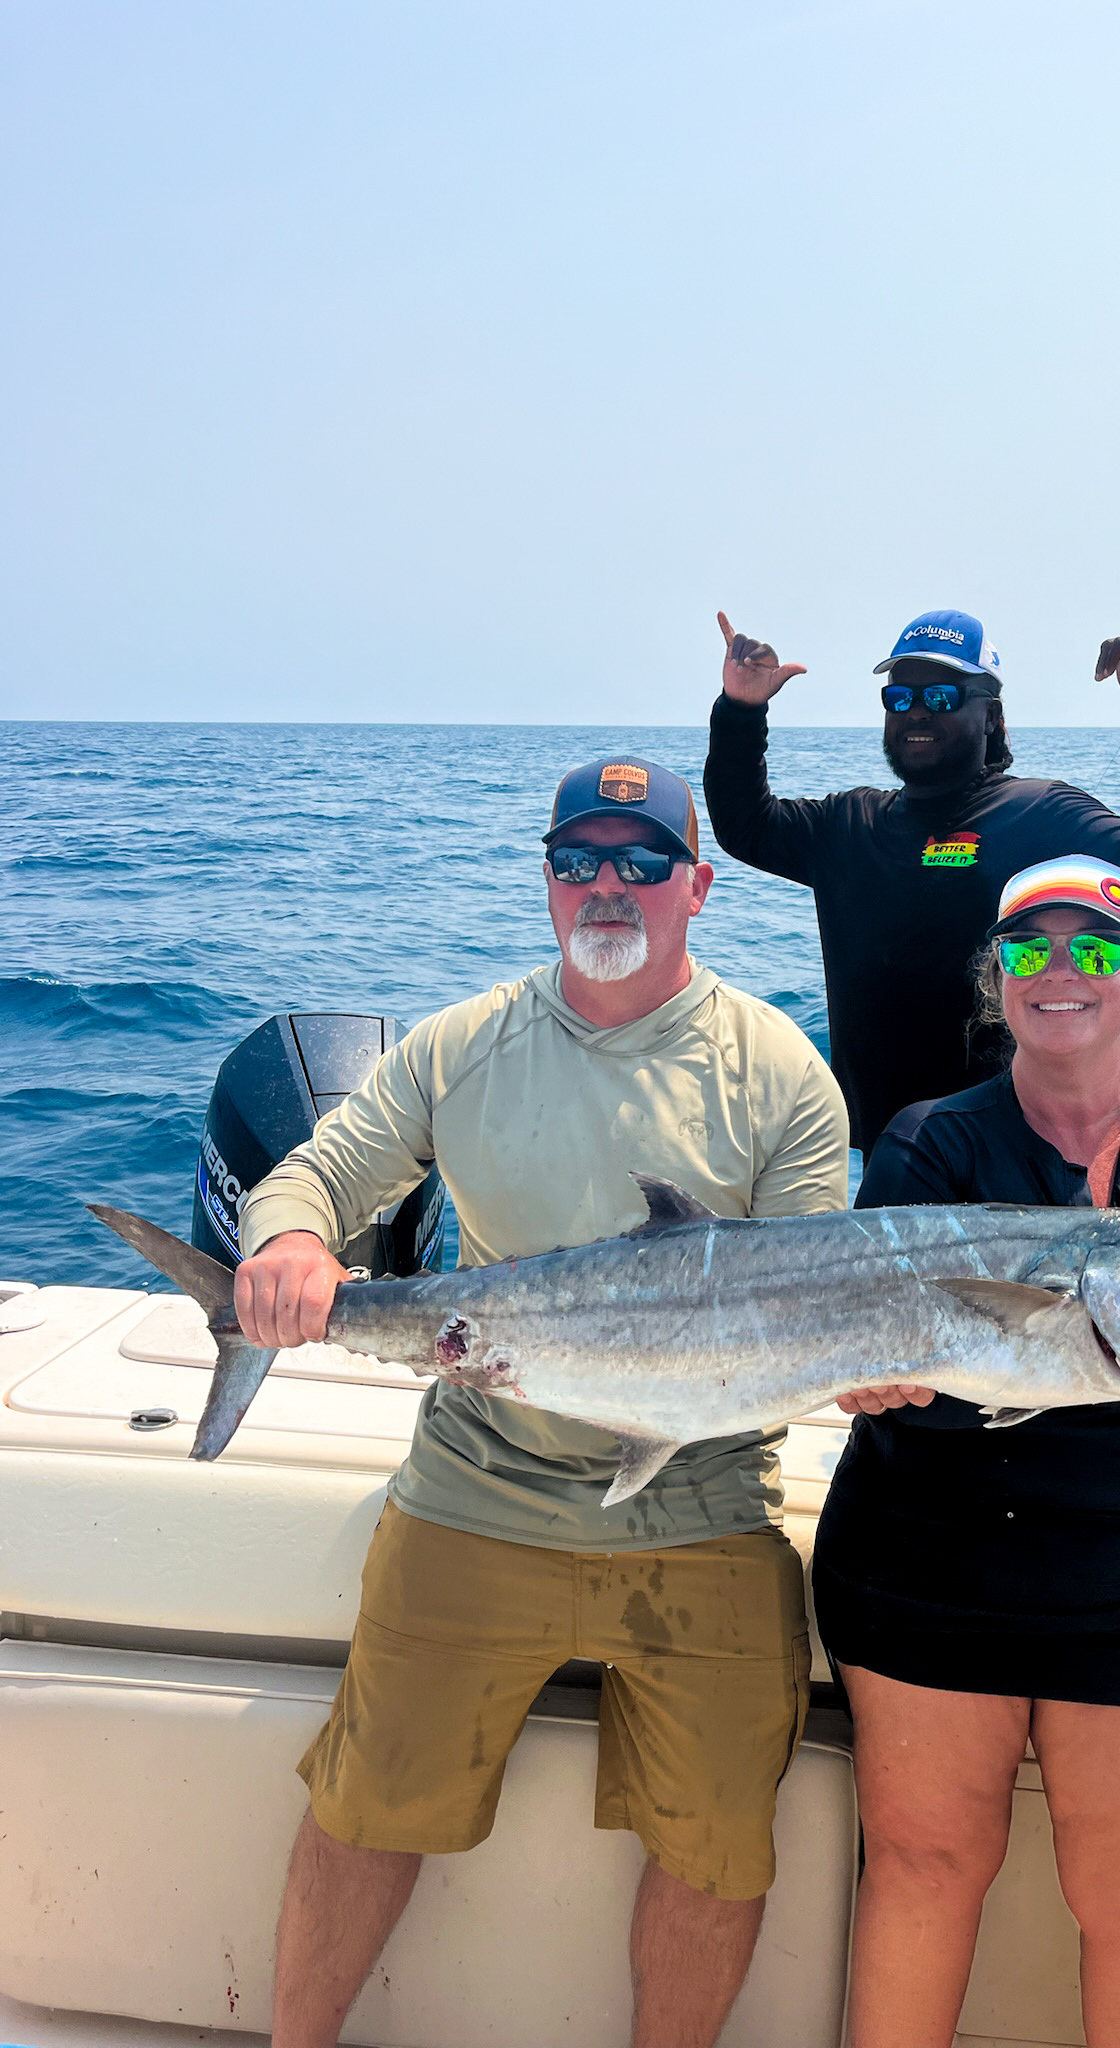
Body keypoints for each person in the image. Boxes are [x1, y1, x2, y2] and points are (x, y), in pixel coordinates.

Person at [233, 755, 849, 2048]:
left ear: (699, 882)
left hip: (701, 1498)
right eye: (580, 859)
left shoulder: (779, 1071)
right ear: (548, 881)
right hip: (480, 1482)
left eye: (639, 860)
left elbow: (812, 1292)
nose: (607, 885)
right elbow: (319, 1173)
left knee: (724, 1837)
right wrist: (288, 1243)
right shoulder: (467, 1043)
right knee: (369, 1796)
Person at [811, 856, 1120, 2048]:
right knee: (924, 1865)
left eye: (1095, 947)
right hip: (933, 1565)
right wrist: (881, 1386)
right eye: (1027, 950)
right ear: (996, 982)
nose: (1062, 971)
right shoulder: (928, 1144)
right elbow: (900, 1382)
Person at [703, 606, 1120, 1154]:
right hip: (889, 1154)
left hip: (1019, 1157)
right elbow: (745, 826)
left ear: (992, 716)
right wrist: (741, 709)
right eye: (899, 698)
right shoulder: (849, 825)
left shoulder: (1043, 812)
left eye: (942, 697)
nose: (917, 712)